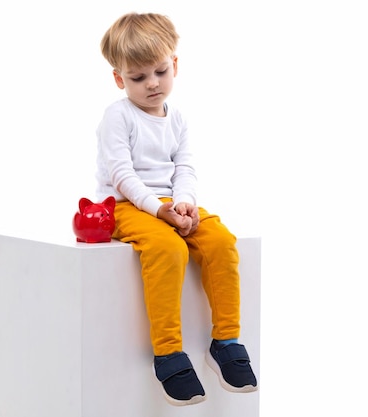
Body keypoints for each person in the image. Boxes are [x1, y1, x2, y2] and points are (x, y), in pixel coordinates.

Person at [95, 12, 258, 406]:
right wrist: (157, 210)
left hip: (169, 203)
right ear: (119, 79)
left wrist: (184, 203)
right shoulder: (118, 116)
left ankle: (225, 342)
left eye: (160, 71)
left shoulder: (178, 118)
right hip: (123, 204)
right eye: (138, 77)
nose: (152, 83)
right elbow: (122, 174)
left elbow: (184, 167)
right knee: (168, 249)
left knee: (220, 240)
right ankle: (167, 354)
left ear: (175, 65)